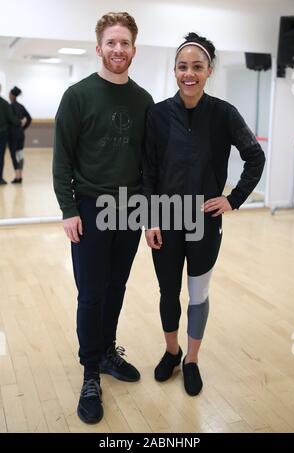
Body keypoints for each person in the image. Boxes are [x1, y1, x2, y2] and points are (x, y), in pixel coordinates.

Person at [143, 33, 265, 397]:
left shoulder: (224, 113)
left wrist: (233, 199)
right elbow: (148, 171)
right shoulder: (157, 114)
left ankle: (192, 360)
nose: (189, 73)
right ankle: (171, 351)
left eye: (197, 66)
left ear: (209, 70)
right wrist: (150, 218)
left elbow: (254, 157)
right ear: (175, 71)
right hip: (164, 220)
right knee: (169, 292)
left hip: (205, 223)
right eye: (183, 67)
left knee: (198, 294)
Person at [53, 12, 153, 424]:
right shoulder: (77, 96)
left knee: (116, 286)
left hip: (129, 209)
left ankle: (108, 351)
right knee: (91, 293)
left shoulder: (144, 100)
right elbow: (62, 160)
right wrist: (69, 210)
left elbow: (148, 164)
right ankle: (90, 370)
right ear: (99, 47)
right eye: (111, 42)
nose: (118, 50)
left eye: (125, 43)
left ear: (134, 49)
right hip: (92, 209)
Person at [8, 86, 32, 184]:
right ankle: (20, 175)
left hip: (12, 134)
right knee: (20, 154)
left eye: (9, 94)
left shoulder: (10, 106)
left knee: (14, 155)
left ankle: (17, 176)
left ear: (12, 95)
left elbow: (8, 120)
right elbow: (29, 118)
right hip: (21, 134)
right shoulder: (21, 106)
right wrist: (23, 128)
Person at [0, 84, 22, 185]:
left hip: (5, 134)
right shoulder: (4, 104)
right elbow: (12, 119)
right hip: (2, 134)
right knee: (0, 156)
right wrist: (19, 122)